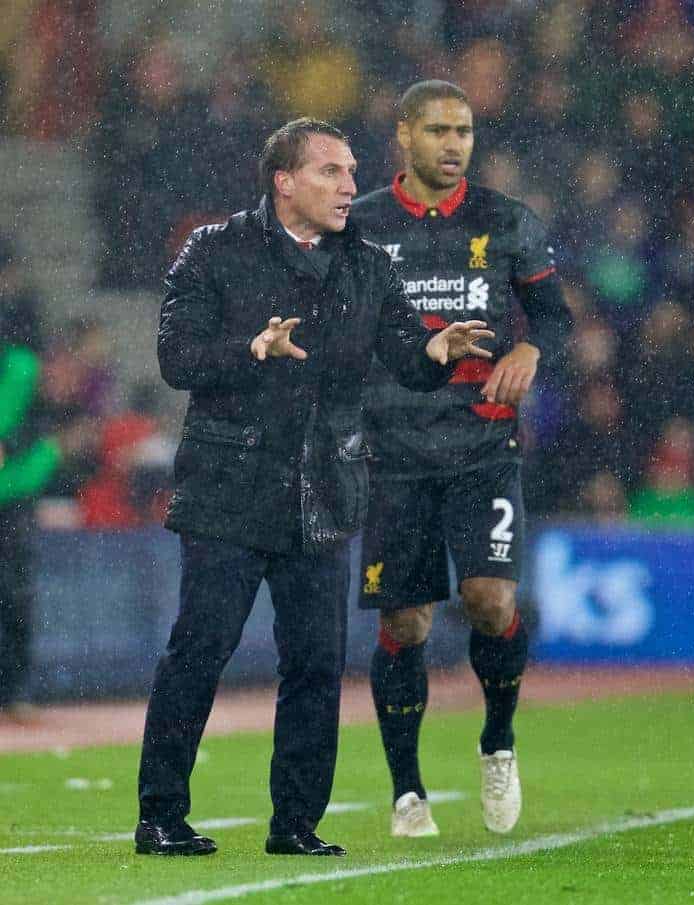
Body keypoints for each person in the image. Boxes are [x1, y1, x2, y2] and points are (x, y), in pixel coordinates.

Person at [136, 117, 494, 858]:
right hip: (230, 488)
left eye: (352, 171)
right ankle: (160, 815)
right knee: (199, 650)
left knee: (315, 664)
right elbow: (176, 357)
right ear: (284, 181)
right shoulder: (214, 250)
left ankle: (295, 821)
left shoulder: (365, 262)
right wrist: (251, 349)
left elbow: (403, 349)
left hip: (323, 490)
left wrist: (434, 346)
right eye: (331, 171)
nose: (350, 185)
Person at [351, 80, 571, 838]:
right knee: (406, 621)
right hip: (395, 451)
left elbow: (554, 312)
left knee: (491, 601)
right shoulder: (363, 223)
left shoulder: (507, 220)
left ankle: (498, 740)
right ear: (403, 135)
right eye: (439, 130)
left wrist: (533, 348)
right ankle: (407, 788)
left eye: (466, 131)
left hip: (482, 445)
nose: (454, 144)